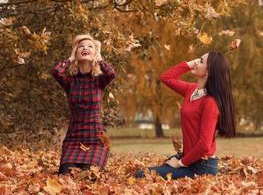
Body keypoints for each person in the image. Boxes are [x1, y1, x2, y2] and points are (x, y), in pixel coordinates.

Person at [135, 51, 235, 179]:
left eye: (201, 61)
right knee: (152, 170)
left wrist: (180, 163)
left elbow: (204, 144)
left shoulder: (210, 102)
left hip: (202, 166)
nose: (196, 62)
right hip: (190, 160)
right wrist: (189, 64)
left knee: (142, 175)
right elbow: (166, 78)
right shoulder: (191, 90)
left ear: (209, 72)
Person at [51, 34, 116, 174]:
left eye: (90, 46)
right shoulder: (70, 81)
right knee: (66, 174)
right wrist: (71, 58)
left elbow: (111, 73)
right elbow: (56, 71)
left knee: (89, 174)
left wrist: (99, 59)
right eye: (81, 46)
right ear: (76, 52)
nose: (85, 48)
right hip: (73, 138)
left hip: (96, 139)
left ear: (95, 53)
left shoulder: (99, 80)